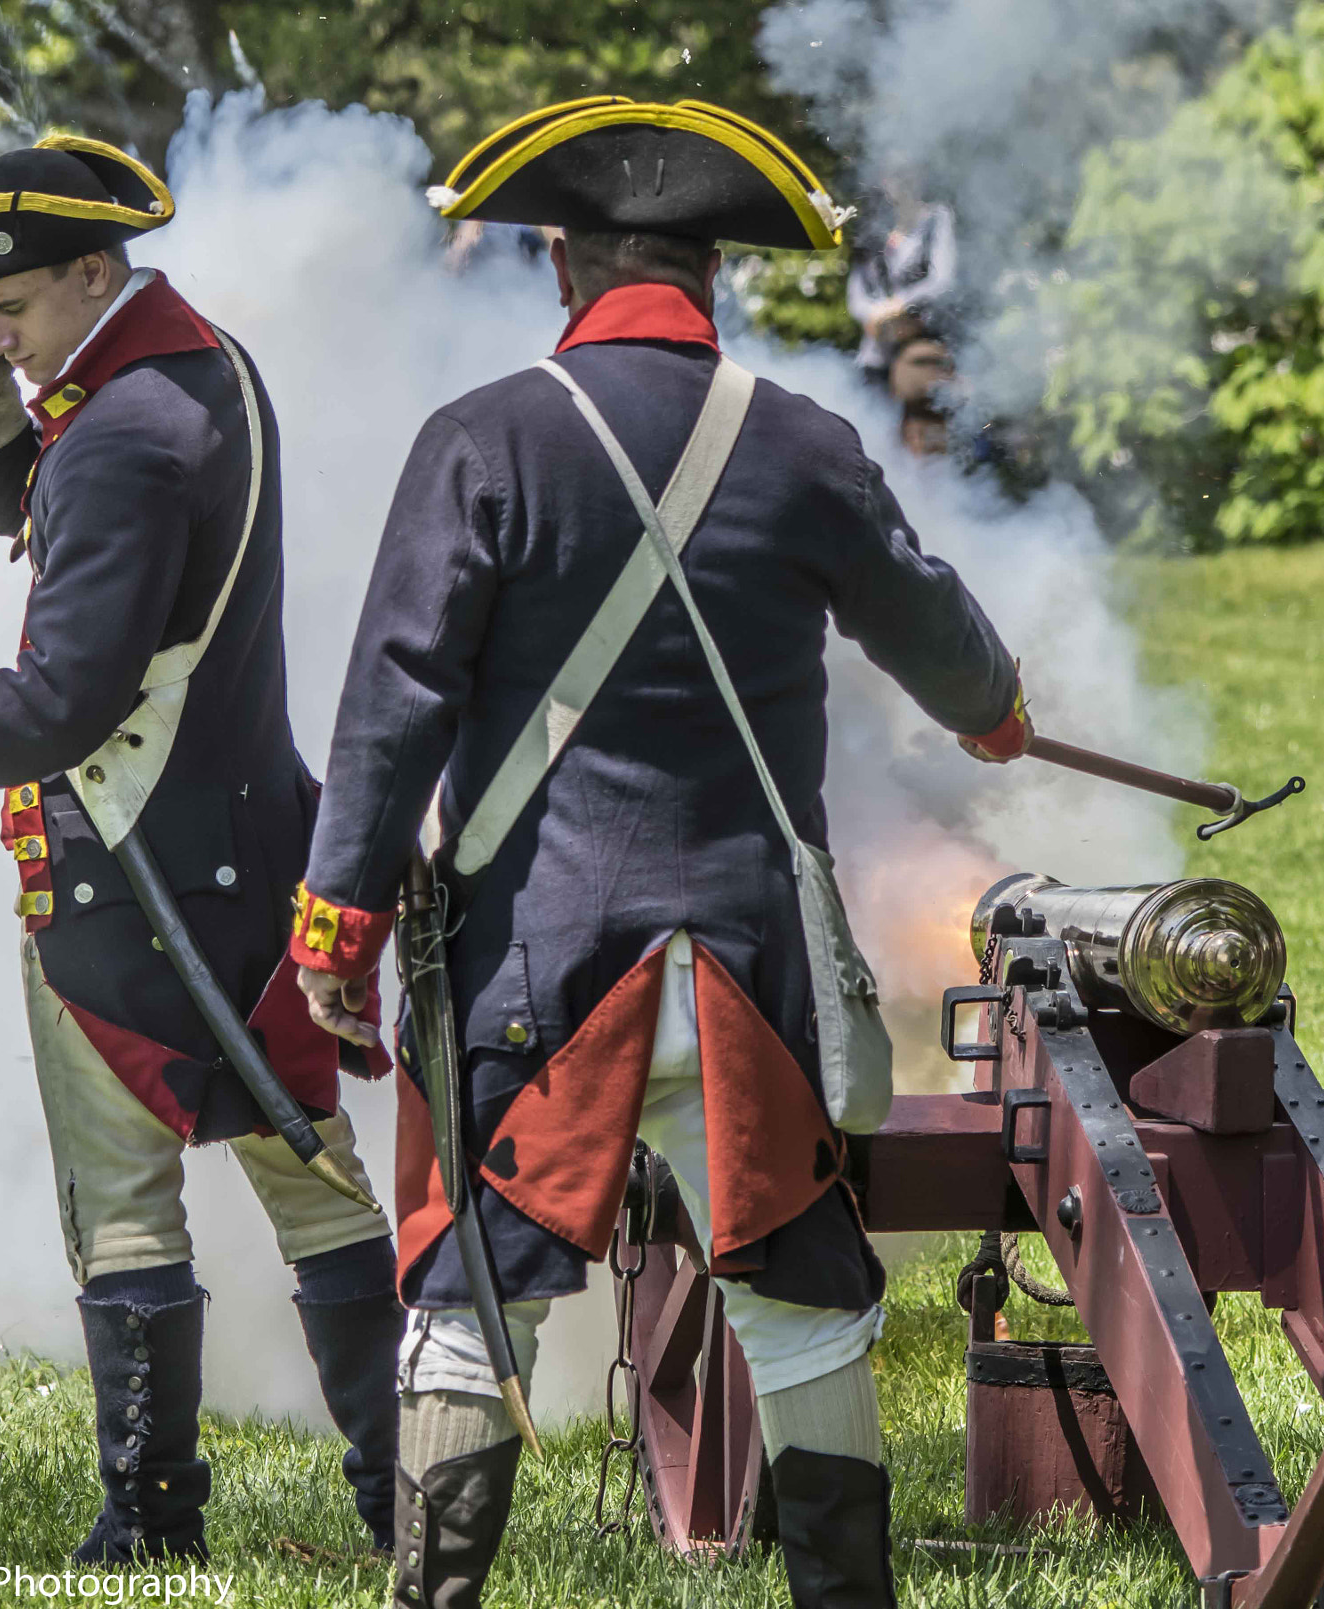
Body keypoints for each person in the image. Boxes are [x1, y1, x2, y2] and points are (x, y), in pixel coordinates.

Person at [289, 97, 1033, 1608]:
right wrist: (999, 715)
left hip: (536, 972)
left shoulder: (479, 441)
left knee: (471, 1304)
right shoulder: (808, 446)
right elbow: (945, 645)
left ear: (562, 269)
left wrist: (334, 933)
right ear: (714, 283)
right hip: (747, 969)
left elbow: (390, 713)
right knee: (809, 1312)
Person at [0, 134, 401, 1564]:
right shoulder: (197, 374)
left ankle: (150, 1523)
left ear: (97, 273)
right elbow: (51, 512)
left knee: (122, 1216)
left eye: (14, 314)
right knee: (318, 1186)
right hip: (254, 848)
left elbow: (65, 697)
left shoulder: (120, 430)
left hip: (124, 877)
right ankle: (405, 1494)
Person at [846, 176, 959, 455]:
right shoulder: (874, 225)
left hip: (921, 350)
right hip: (877, 355)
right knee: (876, 445)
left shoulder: (936, 218)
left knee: (926, 446)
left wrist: (899, 305)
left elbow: (942, 281)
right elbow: (856, 294)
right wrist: (874, 313)